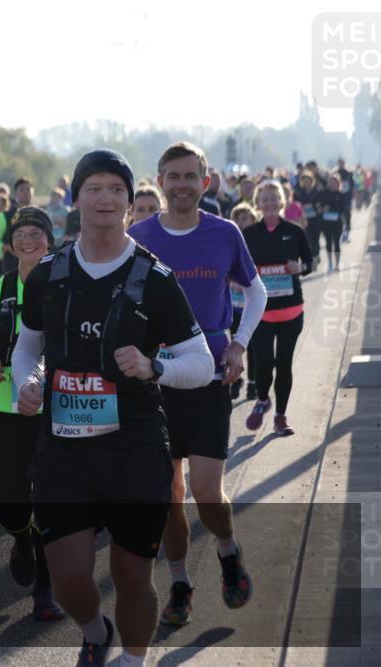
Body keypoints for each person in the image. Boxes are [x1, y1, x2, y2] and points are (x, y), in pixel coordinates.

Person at [12, 149, 214, 667]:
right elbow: (27, 348)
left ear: (129, 202)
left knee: (131, 575)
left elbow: (201, 361)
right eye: (94, 188)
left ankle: (132, 659)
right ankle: (95, 631)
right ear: (75, 199)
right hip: (64, 450)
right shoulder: (49, 274)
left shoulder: (156, 278)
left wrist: (154, 367)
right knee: (68, 578)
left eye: (116, 190)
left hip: (134, 448)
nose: (105, 198)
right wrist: (26, 384)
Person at [128, 141, 265, 628]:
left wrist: (239, 344)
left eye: (191, 177)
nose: (182, 185)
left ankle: (228, 549)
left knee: (207, 493)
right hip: (155, 380)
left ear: (205, 183)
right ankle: (180, 584)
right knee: (168, 496)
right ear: (160, 180)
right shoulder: (138, 236)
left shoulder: (225, 233)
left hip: (208, 376)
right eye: (174, 176)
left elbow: (256, 291)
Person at [0, 207, 64, 621]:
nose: (28, 240)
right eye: (20, 234)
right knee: (9, 503)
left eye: (36, 233)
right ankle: (21, 537)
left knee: (50, 502)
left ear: (49, 241)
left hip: (54, 409)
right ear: (10, 244)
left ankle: (46, 590)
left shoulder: (64, 286)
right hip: (4, 409)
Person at [243, 179, 313, 436]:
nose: (270, 203)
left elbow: (310, 261)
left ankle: (280, 417)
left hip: (290, 310)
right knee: (263, 364)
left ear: (282, 201)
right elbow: (237, 266)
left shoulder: (295, 231)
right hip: (260, 312)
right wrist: (238, 279)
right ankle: (263, 399)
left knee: (284, 365)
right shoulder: (249, 234)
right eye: (265, 199)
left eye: (275, 198)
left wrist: (300, 267)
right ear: (258, 204)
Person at [229, 203, 261, 400]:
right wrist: (231, 282)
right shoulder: (230, 244)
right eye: (237, 220)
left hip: (252, 306)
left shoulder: (258, 243)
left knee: (253, 347)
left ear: (253, 220)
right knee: (234, 343)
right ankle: (236, 379)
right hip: (234, 305)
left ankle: (252, 382)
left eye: (245, 219)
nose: (241, 224)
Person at [292, 171, 321, 270]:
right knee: (308, 239)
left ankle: (316, 255)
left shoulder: (316, 192)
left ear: (311, 181)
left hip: (315, 218)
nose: (306, 182)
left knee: (316, 238)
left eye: (308, 180)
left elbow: (319, 203)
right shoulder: (299, 193)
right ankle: (312, 259)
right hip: (304, 219)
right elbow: (296, 203)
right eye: (304, 180)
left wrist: (316, 206)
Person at [318, 174, 346, 272]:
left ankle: (337, 264)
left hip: (337, 222)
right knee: (328, 242)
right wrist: (321, 208)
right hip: (326, 222)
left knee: (337, 242)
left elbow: (342, 209)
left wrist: (330, 208)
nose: (332, 184)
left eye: (334, 183)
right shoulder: (323, 193)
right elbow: (318, 205)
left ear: (338, 184)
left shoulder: (341, 195)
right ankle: (330, 262)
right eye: (330, 182)